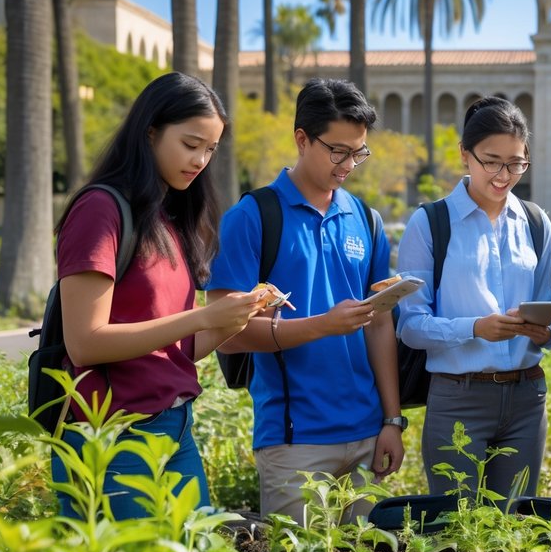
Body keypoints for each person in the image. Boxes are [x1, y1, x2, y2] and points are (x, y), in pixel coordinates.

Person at [52, 72, 265, 519]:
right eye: (190, 145)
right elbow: (85, 342)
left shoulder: (167, 217)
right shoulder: (100, 210)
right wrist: (202, 318)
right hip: (111, 435)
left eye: (210, 149)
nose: (201, 160)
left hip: (175, 426)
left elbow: (177, 351)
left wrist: (231, 321)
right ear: (150, 132)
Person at [207, 78, 403, 523]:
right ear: (301, 139)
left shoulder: (366, 220)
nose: (349, 164)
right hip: (294, 441)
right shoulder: (252, 217)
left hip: (368, 436)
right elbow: (223, 335)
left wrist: (392, 421)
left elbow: (378, 325)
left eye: (359, 152)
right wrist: (323, 325)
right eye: (338, 151)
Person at [397, 96, 551, 500]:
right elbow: (410, 325)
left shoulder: (536, 223)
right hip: (458, 399)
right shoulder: (430, 223)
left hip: (527, 397)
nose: (504, 174)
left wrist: (545, 332)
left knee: (513, 529)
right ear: (465, 156)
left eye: (516, 163)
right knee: (457, 529)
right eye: (491, 161)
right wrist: (476, 328)